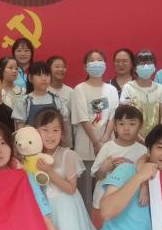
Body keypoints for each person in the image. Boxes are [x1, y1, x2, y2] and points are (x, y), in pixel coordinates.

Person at [72, 50, 120, 211]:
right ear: (85, 66)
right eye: (92, 61)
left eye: (99, 60)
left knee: (104, 190)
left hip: (107, 147)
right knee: (85, 191)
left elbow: (113, 117)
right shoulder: (79, 89)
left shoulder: (111, 90)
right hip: (86, 148)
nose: (96, 63)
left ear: (105, 65)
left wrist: (104, 141)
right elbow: (83, 118)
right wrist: (96, 142)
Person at [91, 104, 147, 210]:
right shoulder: (107, 147)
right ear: (115, 127)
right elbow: (97, 175)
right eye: (121, 124)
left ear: (140, 126)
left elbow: (145, 177)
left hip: (130, 203)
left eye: (132, 124)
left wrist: (129, 168)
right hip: (103, 201)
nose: (126, 128)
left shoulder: (143, 151)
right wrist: (104, 168)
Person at [120, 50, 162, 141]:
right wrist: (139, 138)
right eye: (142, 64)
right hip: (133, 138)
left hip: (155, 138)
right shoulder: (128, 87)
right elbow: (126, 116)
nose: (146, 66)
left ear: (154, 67)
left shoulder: (160, 88)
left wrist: (157, 134)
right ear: (135, 68)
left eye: (149, 63)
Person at [12, 61, 68, 130]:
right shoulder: (23, 102)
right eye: (39, 75)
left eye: (47, 75)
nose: (44, 79)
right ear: (30, 78)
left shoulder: (57, 100)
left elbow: (64, 126)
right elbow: (20, 130)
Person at [47, 55, 74, 147]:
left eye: (63, 67)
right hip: (47, 139)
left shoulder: (71, 92)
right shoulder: (44, 91)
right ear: (49, 69)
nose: (61, 69)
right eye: (57, 66)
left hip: (66, 140)